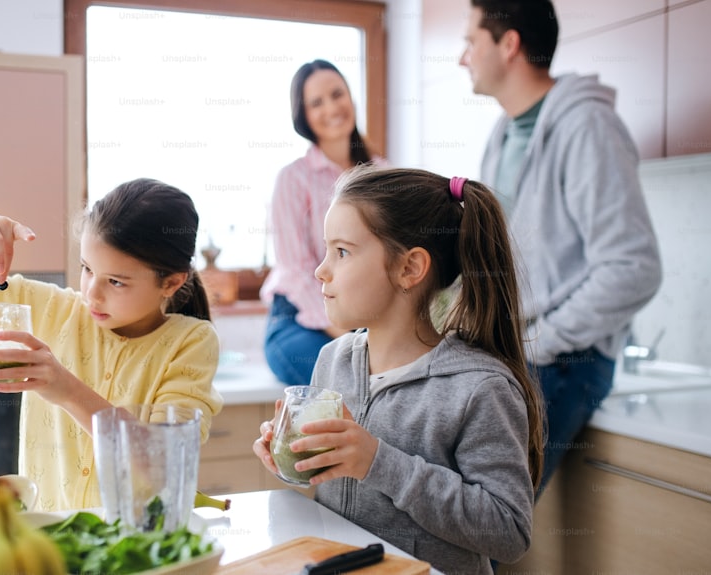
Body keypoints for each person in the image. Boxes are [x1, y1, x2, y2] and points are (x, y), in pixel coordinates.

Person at [253, 166, 545, 573]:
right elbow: (330, 482)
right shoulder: (332, 360)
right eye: (326, 250)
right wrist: (293, 459)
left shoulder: (479, 388)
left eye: (342, 252)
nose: (321, 269)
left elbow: (508, 531)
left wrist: (379, 462)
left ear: (409, 269)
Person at [0, 178, 224, 511]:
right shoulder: (53, 309)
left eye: (116, 281)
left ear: (171, 282)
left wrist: (66, 389)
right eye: (87, 269)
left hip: (135, 554)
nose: (92, 292)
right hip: (49, 547)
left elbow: (164, 463)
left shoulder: (191, 342)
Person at [459, 0, 662, 492]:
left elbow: (633, 268)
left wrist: (543, 340)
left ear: (509, 45)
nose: (461, 57)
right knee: (446, 501)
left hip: (566, 361)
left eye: (470, 41)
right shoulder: (503, 133)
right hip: (515, 351)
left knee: (477, 518)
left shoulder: (586, 126)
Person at [259, 59, 387, 386]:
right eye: (316, 102)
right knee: (346, 384)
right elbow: (297, 270)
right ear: (303, 115)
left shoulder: (383, 174)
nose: (331, 107)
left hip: (364, 316)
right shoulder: (293, 178)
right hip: (301, 318)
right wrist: (352, 334)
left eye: (337, 94)